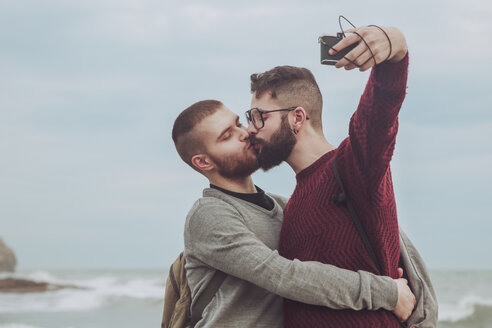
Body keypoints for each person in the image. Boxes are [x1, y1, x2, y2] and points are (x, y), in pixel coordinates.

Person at [246, 26, 437, 327]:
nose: (251, 129)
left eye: (260, 116)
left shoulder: (354, 165)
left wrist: (394, 47)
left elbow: (380, 113)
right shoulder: (294, 202)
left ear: (297, 117)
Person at [171, 100, 421, 328]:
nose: (245, 134)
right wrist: (385, 292)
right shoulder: (209, 214)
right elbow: (284, 276)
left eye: (238, 123)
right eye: (227, 136)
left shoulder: (282, 206)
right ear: (203, 162)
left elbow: (373, 229)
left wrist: (387, 269)